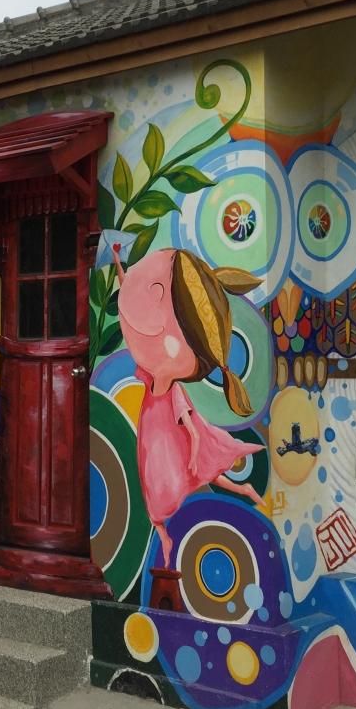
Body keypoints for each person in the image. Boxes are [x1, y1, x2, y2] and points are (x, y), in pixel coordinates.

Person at [112, 243, 265, 569]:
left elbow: (192, 428)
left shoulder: (172, 388)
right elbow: (132, 298)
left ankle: (245, 490)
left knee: (199, 480)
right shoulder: (151, 376)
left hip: (169, 446)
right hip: (153, 445)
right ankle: (168, 538)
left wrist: (195, 454)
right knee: (158, 496)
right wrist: (117, 263)